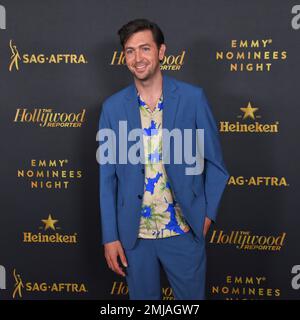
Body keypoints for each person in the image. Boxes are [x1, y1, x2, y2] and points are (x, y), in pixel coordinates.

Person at [98, 18, 229, 300]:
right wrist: (110, 236)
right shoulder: (112, 109)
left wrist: (205, 218)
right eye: (130, 51)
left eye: (145, 49)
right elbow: (107, 179)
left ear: (161, 51)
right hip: (135, 237)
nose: (138, 58)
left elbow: (217, 166)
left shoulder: (193, 99)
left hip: (183, 231)